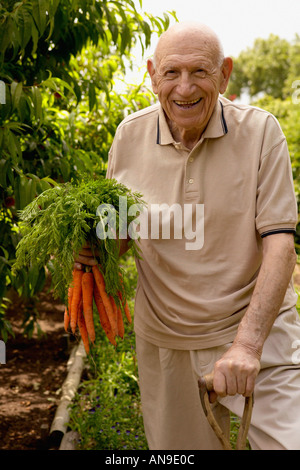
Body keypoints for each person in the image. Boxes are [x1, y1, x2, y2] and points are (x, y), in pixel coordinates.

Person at [75, 22, 300, 450]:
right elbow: (119, 232)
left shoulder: (261, 132)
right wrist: (92, 246)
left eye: (200, 71)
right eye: (172, 72)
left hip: (256, 333)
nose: (185, 88)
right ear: (152, 75)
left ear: (225, 74)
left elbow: (281, 245)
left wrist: (248, 347)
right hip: (168, 342)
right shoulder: (129, 136)